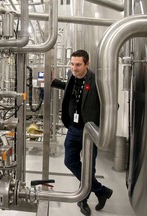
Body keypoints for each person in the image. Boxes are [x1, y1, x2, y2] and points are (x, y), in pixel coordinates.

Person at [51, 49, 113, 216]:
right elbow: (70, 89)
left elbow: (111, 104)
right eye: (72, 64)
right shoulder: (71, 76)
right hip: (73, 129)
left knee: (88, 168)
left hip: (90, 131)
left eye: (78, 65)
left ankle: (83, 200)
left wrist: (100, 126)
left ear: (87, 64)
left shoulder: (97, 81)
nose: (74, 68)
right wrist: (54, 82)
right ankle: (101, 191)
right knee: (70, 161)